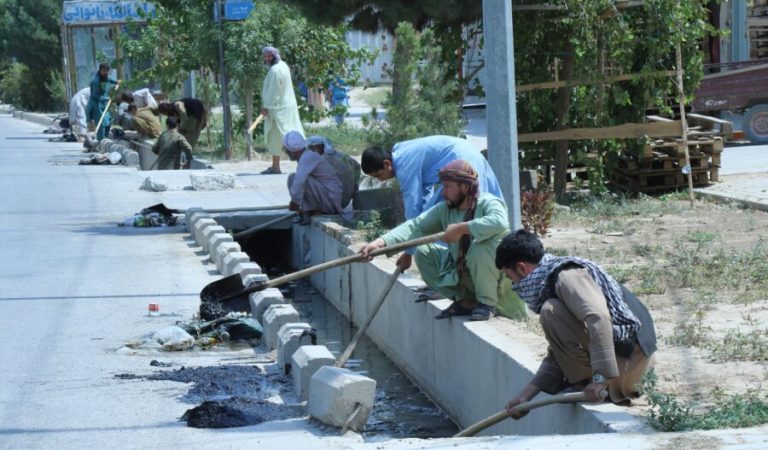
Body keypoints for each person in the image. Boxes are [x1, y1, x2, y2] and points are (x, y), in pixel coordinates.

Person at [495, 230, 657, 416]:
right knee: (552, 310)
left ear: (522, 268)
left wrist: (599, 379)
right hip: (628, 364)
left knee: (550, 310)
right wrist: (525, 397)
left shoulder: (566, 276)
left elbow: (599, 318)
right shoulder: (550, 278)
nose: (514, 285)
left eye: (510, 277)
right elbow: (559, 351)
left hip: (631, 365)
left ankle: (586, 383)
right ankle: (585, 382)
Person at [359, 160, 527, 322]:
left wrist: (462, 228)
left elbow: (499, 222)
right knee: (424, 252)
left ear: (465, 187)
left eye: (447, 187)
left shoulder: (488, 202)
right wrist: (380, 243)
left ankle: (487, 304)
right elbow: (416, 226)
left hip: (499, 286)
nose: (443, 192)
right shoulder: (446, 209)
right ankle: (467, 300)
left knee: (479, 247)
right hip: (468, 273)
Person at [361, 135, 505, 271]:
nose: (381, 180)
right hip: (468, 156)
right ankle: (450, 276)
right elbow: (423, 207)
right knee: (436, 220)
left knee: (455, 223)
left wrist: (408, 252)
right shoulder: (400, 152)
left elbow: (413, 212)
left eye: (379, 175)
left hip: (464, 163)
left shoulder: (405, 166)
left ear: (387, 164)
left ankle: (453, 274)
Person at [283, 131, 352, 224]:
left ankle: (319, 211)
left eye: (286, 149)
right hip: (327, 195)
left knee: (299, 180)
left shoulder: (308, 157)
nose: (286, 152)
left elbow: (299, 182)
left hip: (331, 200)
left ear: (293, 150)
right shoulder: (306, 156)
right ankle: (309, 212)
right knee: (292, 178)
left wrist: (294, 203)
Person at [259, 46, 304, 175]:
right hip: (285, 107)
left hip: (278, 109)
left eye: (269, 56)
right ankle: (275, 166)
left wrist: (266, 107)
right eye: (265, 56)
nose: (267, 58)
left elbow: (273, 92)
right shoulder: (284, 66)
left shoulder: (275, 71)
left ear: (275, 55)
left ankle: (304, 164)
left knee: (288, 138)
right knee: (283, 137)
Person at [306, 135, 360, 209]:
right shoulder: (342, 156)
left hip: (330, 205)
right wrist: (355, 192)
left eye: (310, 149)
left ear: (316, 148)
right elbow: (357, 167)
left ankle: (309, 212)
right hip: (345, 203)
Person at [85, 62, 120, 142]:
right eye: (104, 71)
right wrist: (107, 98)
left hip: (103, 104)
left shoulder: (105, 77)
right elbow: (95, 95)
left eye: (107, 71)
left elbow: (109, 80)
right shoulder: (96, 81)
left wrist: (116, 82)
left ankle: (105, 138)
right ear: (100, 70)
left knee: (108, 120)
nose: (105, 73)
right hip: (96, 105)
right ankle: (101, 141)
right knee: (101, 123)